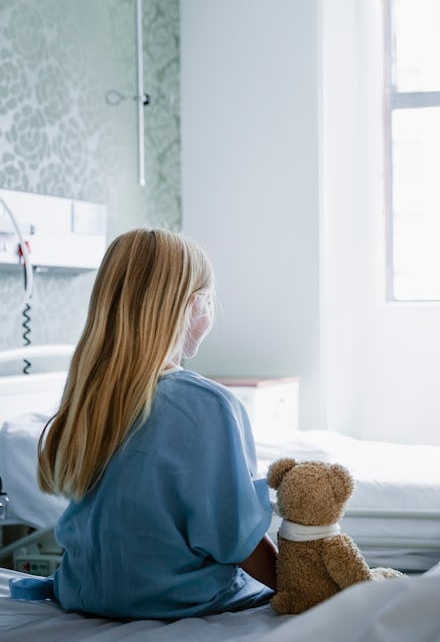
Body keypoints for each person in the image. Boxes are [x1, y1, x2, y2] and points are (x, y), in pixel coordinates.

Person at [36, 228, 277, 619]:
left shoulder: (87, 397)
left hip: (84, 595)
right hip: (184, 602)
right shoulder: (208, 405)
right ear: (193, 306)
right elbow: (238, 540)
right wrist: (305, 591)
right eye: (209, 300)